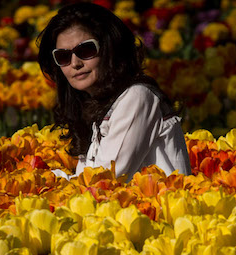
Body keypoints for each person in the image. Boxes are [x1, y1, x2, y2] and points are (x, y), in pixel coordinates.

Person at [37, 2, 191, 180]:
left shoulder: (137, 97)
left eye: (86, 50)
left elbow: (107, 178)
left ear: (111, 48)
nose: (75, 63)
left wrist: (42, 181)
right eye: (63, 56)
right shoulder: (95, 107)